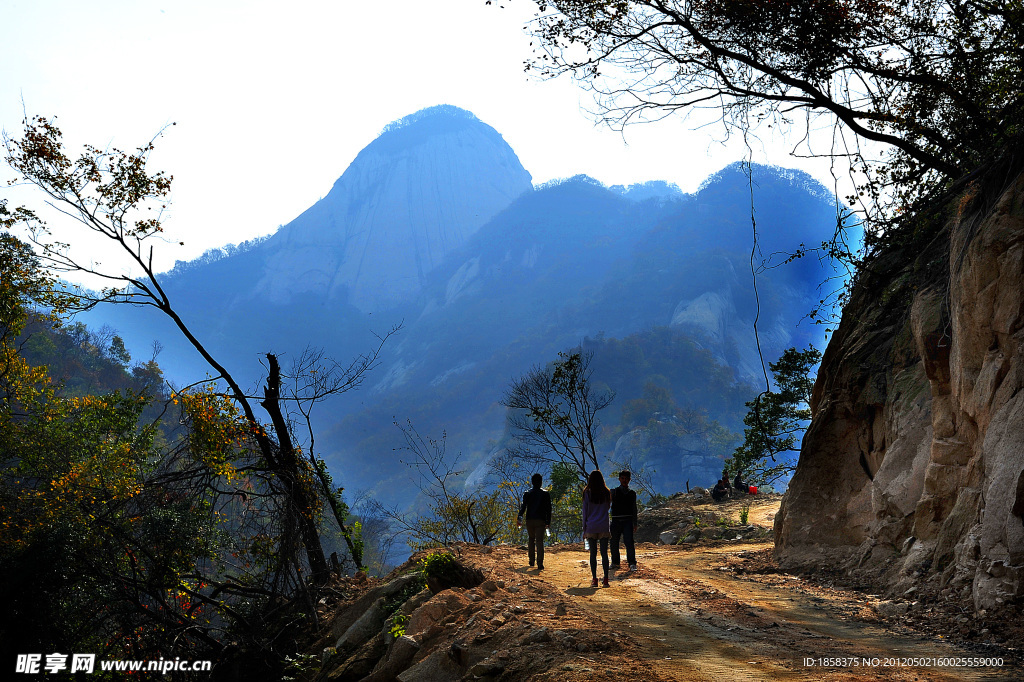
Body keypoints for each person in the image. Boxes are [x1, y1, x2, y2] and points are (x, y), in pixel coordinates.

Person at [581, 469, 612, 587]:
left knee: (593, 554)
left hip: (591, 526)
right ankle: (606, 579)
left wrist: (584, 529)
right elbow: (608, 508)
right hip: (604, 525)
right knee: (604, 553)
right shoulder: (606, 492)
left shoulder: (587, 493)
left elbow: (585, 512)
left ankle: (594, 579)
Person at [517, 473, 552, 570]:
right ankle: (540, 563)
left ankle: (531, 560)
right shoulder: (545, 494)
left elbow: (523, 507)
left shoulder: (527, 493)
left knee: (531, 539)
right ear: (541, 482)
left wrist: (519, 518)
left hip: (529, 520)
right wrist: (548, 521)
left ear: (532, 482)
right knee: (539, 541)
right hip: (540, 520)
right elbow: (548, 509)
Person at [610, 470, 638, 572]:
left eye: (626, 478)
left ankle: (632, 563)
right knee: (614, 542)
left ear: (629, 480)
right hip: (616, 520)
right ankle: (615, 563)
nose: (624, 480)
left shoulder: (632, 493)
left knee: (629, 542)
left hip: (627, 521)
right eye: (622, 478)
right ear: (619, 479)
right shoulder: (613, 492)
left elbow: (634, 509)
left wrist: (635, 523)